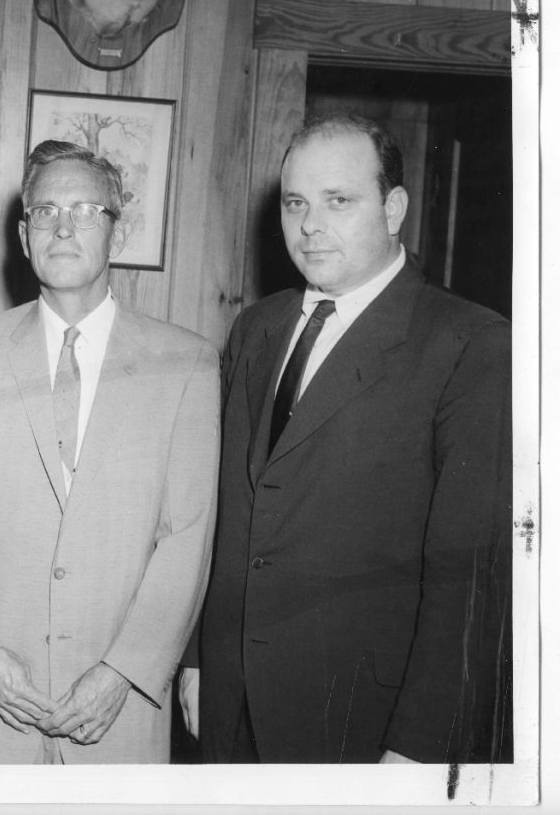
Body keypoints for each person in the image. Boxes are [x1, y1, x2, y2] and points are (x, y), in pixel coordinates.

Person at [186, 113, 512, 763]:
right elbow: (229, 513)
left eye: (339, 201)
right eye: (296, 203)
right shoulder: (258, 328)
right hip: (233, 700)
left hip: (362, 719)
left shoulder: (471, 345)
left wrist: (421, 748)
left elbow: (472, 577)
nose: (310, 226)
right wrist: (200, 658)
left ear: (394, 208)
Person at [0, 139, 219, 764]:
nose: (63, 227)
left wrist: (125, 673)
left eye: (85, 211)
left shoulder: (186, 364)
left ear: (118, 233)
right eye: (45, 212)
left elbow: (187, 537)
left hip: (118, 721)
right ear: (24, 237)